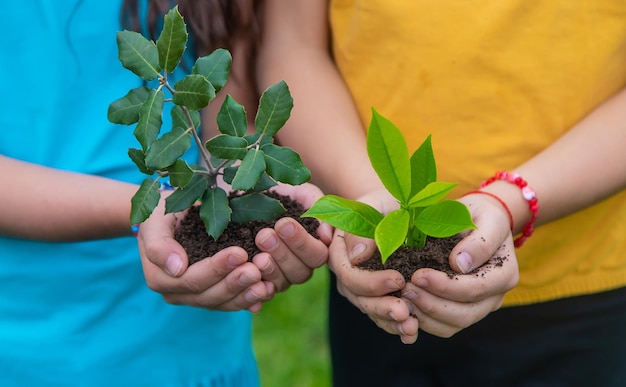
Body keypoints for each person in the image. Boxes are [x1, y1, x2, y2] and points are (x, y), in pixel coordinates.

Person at [251, 1, 626, 386]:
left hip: (582, 293)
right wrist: (370, 199)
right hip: (384, 287)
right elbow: (293, 44)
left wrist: (512, 200)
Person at [0, 1, 329, 385]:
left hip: (188, 345)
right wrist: (154, 206)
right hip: (24, 339)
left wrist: (250, 183)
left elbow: (225, 111)